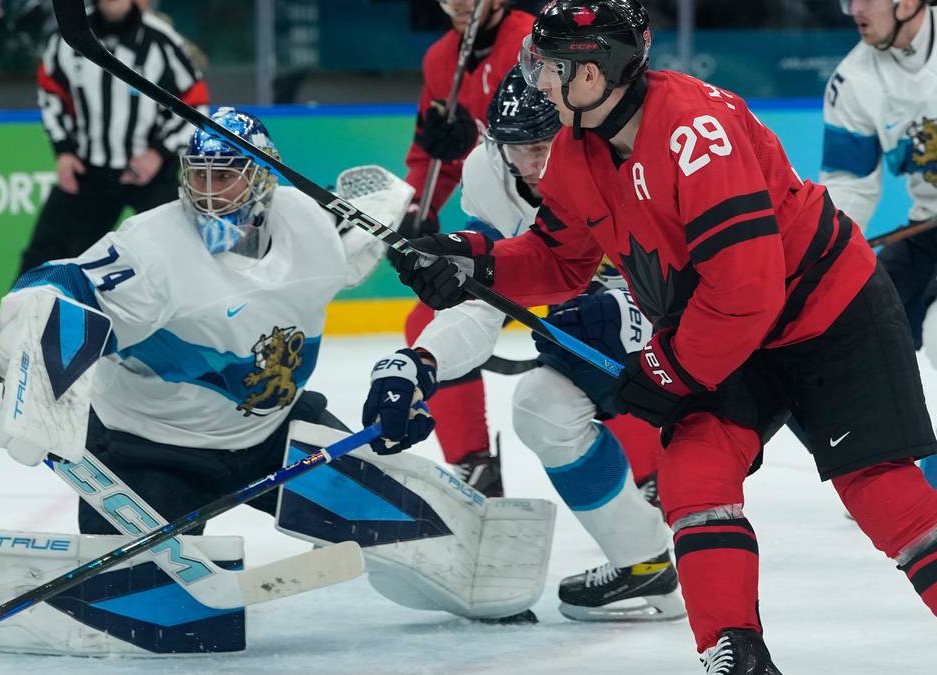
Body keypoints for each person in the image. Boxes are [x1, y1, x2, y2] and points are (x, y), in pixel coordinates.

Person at [372, 1, 937, 672]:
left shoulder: (696, 129)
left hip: (827, 316)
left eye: (548, 67)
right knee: (693, 472)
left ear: (596, 74)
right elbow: (561, 259)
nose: (538, 82)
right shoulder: (580, 150)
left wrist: (665, 370)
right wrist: (472, 262)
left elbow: (746, 291)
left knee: (880, 490)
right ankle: (736, 651)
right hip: (725, 332)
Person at [0, 108, 555, 624]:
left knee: (403, 520)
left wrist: (417, 232)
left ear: (262, 178)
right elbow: (59, 284)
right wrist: (32, 369)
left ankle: (480, 592)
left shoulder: (308, 224)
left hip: (275, 437)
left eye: (224, 175)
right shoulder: (151, 246)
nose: (207, 192)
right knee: (147, 611)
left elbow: (372, 210)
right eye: (198, 175)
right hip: (151, 452)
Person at [375, 64, 682, 622]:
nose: (538, 165)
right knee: (542, 407)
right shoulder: (486, 176)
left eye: (548, 143)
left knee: (590, 328)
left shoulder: (620, 154)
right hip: (570, 280)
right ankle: (645, 564)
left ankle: (671, 476)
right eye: (523, 148)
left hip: (670, 293)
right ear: (496, 146)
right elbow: (481, 298)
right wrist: (421, 361)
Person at [398, 0, 535, 496]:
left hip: (566, 218)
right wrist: (419, 210)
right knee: (428, 325)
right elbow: (431, 154)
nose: (457, 4)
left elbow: (563, 139)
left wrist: (470, 143)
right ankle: (474, 467)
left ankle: (651, 479)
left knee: (594, 334)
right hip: (499, 221)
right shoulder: (440, 60)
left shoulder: (534, 42)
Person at [822, 0, 937, 488]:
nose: (855, 11)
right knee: (859, 323)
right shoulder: (853, 79)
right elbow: (850, 183)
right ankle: (882, 472)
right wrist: (825, 247)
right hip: (926, 228)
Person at [20, 0, 207, 281]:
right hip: (89, 169)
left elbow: (195, 103)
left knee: (180, 258)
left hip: (151, 174)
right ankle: (28, 320)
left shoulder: (161, 40)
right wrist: (63, 152)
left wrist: (158, 153)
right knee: (45, 257)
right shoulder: (69, 34)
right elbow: (51, 93)